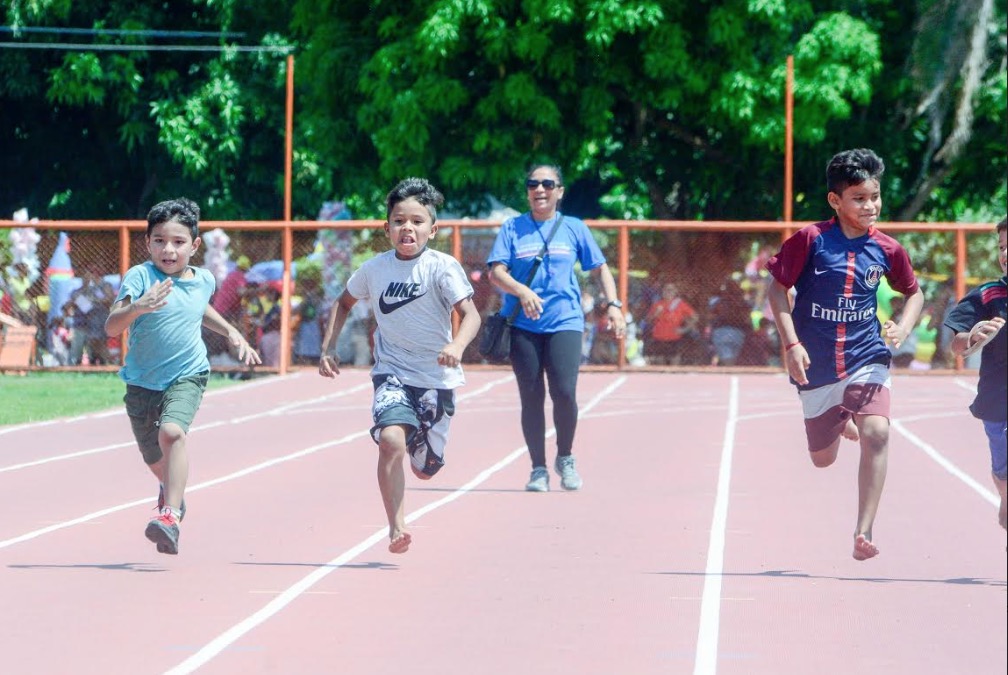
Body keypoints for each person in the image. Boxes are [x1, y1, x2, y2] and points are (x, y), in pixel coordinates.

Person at [765, 148, 924, 561]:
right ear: (835, 201)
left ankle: (863, 529)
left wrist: (903, 327)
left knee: (878, 433)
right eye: (859, 198)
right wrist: (791, 344)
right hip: (816, 364)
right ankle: (841, 422)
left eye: (875, 197)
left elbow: (914, 293)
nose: (870, 206)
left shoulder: (888, 249)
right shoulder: (811, 240)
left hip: (866, 355)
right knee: (822, 460)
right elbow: (776, 290)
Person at [318, 178, 481, 554]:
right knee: (391, 440)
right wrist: (329, 348)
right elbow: (343, 302)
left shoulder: (442, 267)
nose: (408, 228)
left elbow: (471, 314)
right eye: (399, 221)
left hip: (436, 378)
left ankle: (421, 438)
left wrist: (456, 345)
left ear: (432, 229)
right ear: (387, 227)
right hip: (391, 373)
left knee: (425, 470)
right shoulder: (374, 270)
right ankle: (396, 527)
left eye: (417, 221)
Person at [104, 197, 261, 555]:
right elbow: (112, 326)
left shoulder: (203, 279)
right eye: (160, 241)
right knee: (154, 459)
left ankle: (170, 516)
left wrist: (231, 331)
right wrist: (138, 306)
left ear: (195, 245)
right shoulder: (140, 277)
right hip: (142, 381)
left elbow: (198, 308)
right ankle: (172, 493)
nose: (168, 250)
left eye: (178, 242)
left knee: (172, 433)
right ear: (148, 242)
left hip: (187, 374)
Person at [487, 164, 626, 492]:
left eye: (548, 184)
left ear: (559, 191)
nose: (540, 189)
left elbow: (600, 269)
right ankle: (538, 469)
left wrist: (614, 305)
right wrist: (522, 291)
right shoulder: (512, 228)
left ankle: (565, 456)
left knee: (564, 392)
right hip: (522, 325)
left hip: (565, 321)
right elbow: (496, 272)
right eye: (533, 184)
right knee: (531, 397)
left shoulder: (574, 228)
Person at [943, 217, 1007, 532]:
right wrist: (972, 336)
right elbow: (956, 344)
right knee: (1003, 472)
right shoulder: (989, 295)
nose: (1005, 253)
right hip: (996, 400)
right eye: (1002, 247)